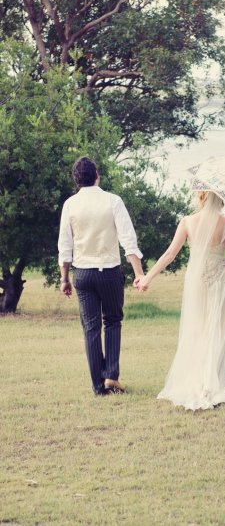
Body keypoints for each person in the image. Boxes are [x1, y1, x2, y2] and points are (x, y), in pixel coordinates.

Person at [136, 190, 225, 410]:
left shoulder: (187, 221)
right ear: (221, 198)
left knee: (197, 329)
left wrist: (147, 277)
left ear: (201, 197)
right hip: (220, 279)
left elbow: (169, 254)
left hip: (196, 279)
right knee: (216, 330)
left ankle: (198, 380)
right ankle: (211, 382)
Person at [58, 157, 144, 396]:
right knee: (113, 321)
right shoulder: (112, 201)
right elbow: (128, 239)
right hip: (109, 272)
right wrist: (139, 274)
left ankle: (98, 385)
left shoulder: (70, 204)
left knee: (91, 328)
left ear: (76, 179)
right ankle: (111, 377)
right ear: (97, 174)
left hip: (83, 273)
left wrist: (64, 278)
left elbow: (65, 246)